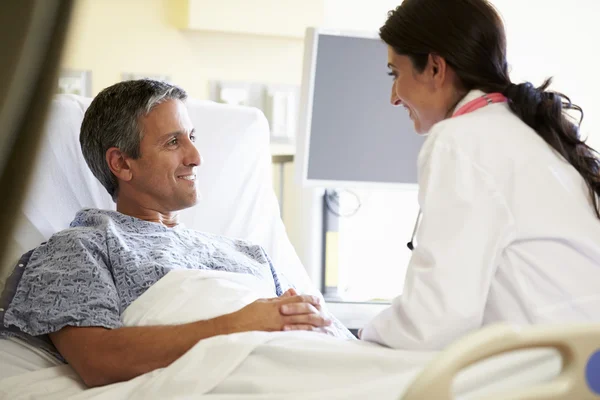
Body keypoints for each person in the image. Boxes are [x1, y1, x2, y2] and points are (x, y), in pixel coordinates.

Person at [2, 79, 353, 388]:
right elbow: (98, 360)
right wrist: (239, 324)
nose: (196, 156)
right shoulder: (77, 248)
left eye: (192, 138)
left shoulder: (248, 253)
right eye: (173, 142)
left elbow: (313, 327)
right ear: (121, 163)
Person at [359, 0, 600, 350]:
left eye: (395, 74)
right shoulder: (528, 133)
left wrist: (357, 334)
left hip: (552, 374)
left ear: (435, 68)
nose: (394, 97)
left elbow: (432, 324)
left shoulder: (461, 139)